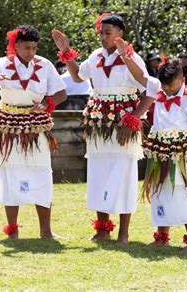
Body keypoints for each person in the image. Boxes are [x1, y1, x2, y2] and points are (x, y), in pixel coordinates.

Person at [52, 13, 159, 244]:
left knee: (123, 173)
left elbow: (149, 86)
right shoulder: (96, 56)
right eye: (100, 32)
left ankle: (123, 233)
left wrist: (133, 119)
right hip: (99, 121)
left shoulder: (133, 58)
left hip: (124, 123)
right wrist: (66, 51)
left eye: (107, 32)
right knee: (99, 172)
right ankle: (102, 228)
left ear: (120, 34)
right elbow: (78, 76)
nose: (102, 37)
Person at [0, 25, 67, 239]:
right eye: (27, 47)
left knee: (42, 172)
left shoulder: (45, 65)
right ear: (16, 45)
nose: (31, 52)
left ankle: (46, 231)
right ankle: (12, 231)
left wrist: (48, 103)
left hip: (36, 123)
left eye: (34, 48)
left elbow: (61, 93)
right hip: (9, 123)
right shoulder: (2, 63)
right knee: (11, 173)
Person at [142, 58, 187, 253]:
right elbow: (157, 123)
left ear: (182, 80)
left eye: (171, 84)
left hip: (183, 155)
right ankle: (162, 237)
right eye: (164, 84)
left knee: (183, 192)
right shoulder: (159, 96)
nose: (166, 88)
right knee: (160, 192)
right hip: (161, 153)